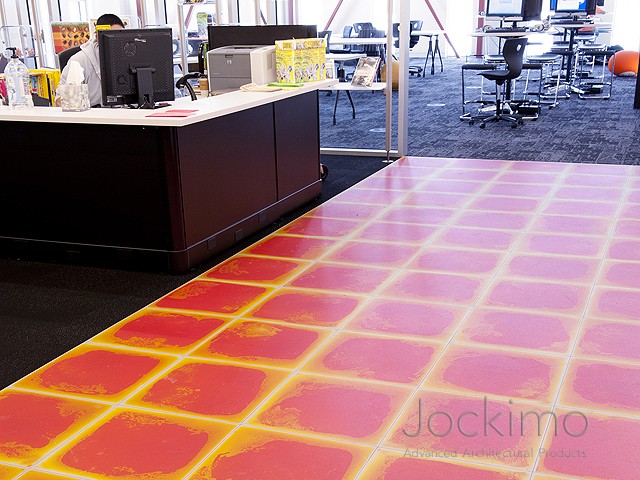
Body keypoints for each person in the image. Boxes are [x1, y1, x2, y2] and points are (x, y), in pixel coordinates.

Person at [57, 14, 125, 107]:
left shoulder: (130, 56)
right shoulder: (79, 61)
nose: (118, 42)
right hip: (93, 114)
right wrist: (72, 98)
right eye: (113, 37)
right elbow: (59, 101)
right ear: (98, 37)